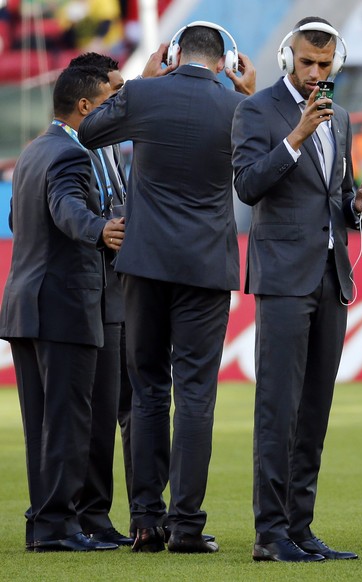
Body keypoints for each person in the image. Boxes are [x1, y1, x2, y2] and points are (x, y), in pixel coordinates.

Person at [78, 22, 256, 553]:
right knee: (196, 395)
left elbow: (87, 133)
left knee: (149, 393)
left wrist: (139, 80)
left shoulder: (145, 92)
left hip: (144, 265)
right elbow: (278, 147)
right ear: (226, 62)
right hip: (205, 268)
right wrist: (250, 93)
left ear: (174, 54)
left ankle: (146, 523)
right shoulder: (239, 108)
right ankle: (186, 527)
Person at [231, 16, 362, 562]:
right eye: (308, 63)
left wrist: (357, 206)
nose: (317, 73)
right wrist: (294, 137)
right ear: (288, 59)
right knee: (278, 408)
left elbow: (337, 195)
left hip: (331, 274)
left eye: (325, 64)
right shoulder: (255, 110)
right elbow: (247, 186)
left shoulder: (339, 118)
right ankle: (270, 534)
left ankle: (301, 527)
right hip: (283, 279)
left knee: (314, 408)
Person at [0, 65, 125, 552]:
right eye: (108, 103)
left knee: (42, 424)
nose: (115, 111)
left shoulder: (32, 151)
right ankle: (58, 526)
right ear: (85, 108)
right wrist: (99, 230)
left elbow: (17, 217)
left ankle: (43, 521)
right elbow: (67, 207)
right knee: (70, 421)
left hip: (24, 306)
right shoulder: (74, 156)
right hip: (64, 307)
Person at [66, 53, 133, 547]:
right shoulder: (68, 150)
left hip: (125, 289)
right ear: (89, 99)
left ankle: (145, 511)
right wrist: (99, 231)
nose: (122, 104)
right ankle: (89, 513)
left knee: (133, 405)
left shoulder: (112, 149)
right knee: (93, 409)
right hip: (89, 293)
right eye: (115, 94)